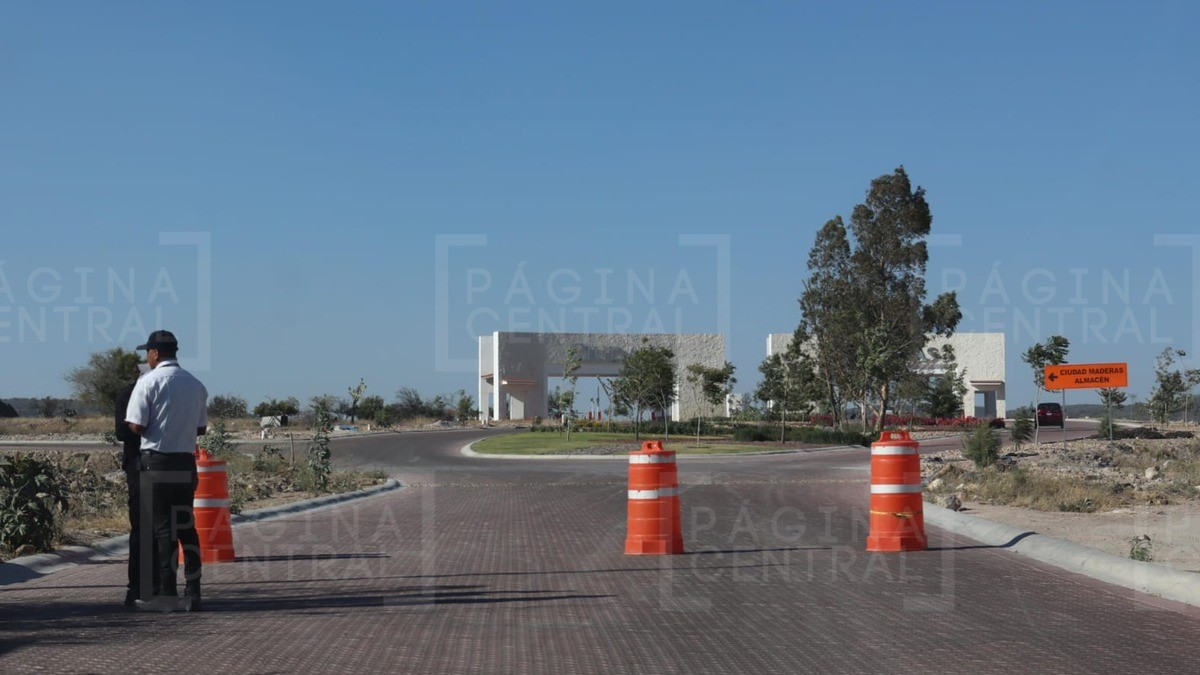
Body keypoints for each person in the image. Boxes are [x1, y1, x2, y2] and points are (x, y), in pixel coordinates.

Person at [125, 330, 209, 612]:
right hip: (185, 463)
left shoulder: (148, 382)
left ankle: (167, 593)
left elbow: (135, 425)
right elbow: (201, 428)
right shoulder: (195, 384)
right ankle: (194, 590)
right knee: (186, 527)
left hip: (157, 464)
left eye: (147, 352)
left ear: (156, 353)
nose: (146, 358)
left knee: (163, 530)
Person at [115, 364, 156, 607]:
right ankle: (142, 586)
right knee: (146, 527)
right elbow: (122, 432)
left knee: (147, 528)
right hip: (140, 464)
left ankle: (145, 586)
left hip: (146, 465)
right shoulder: (128, 394)